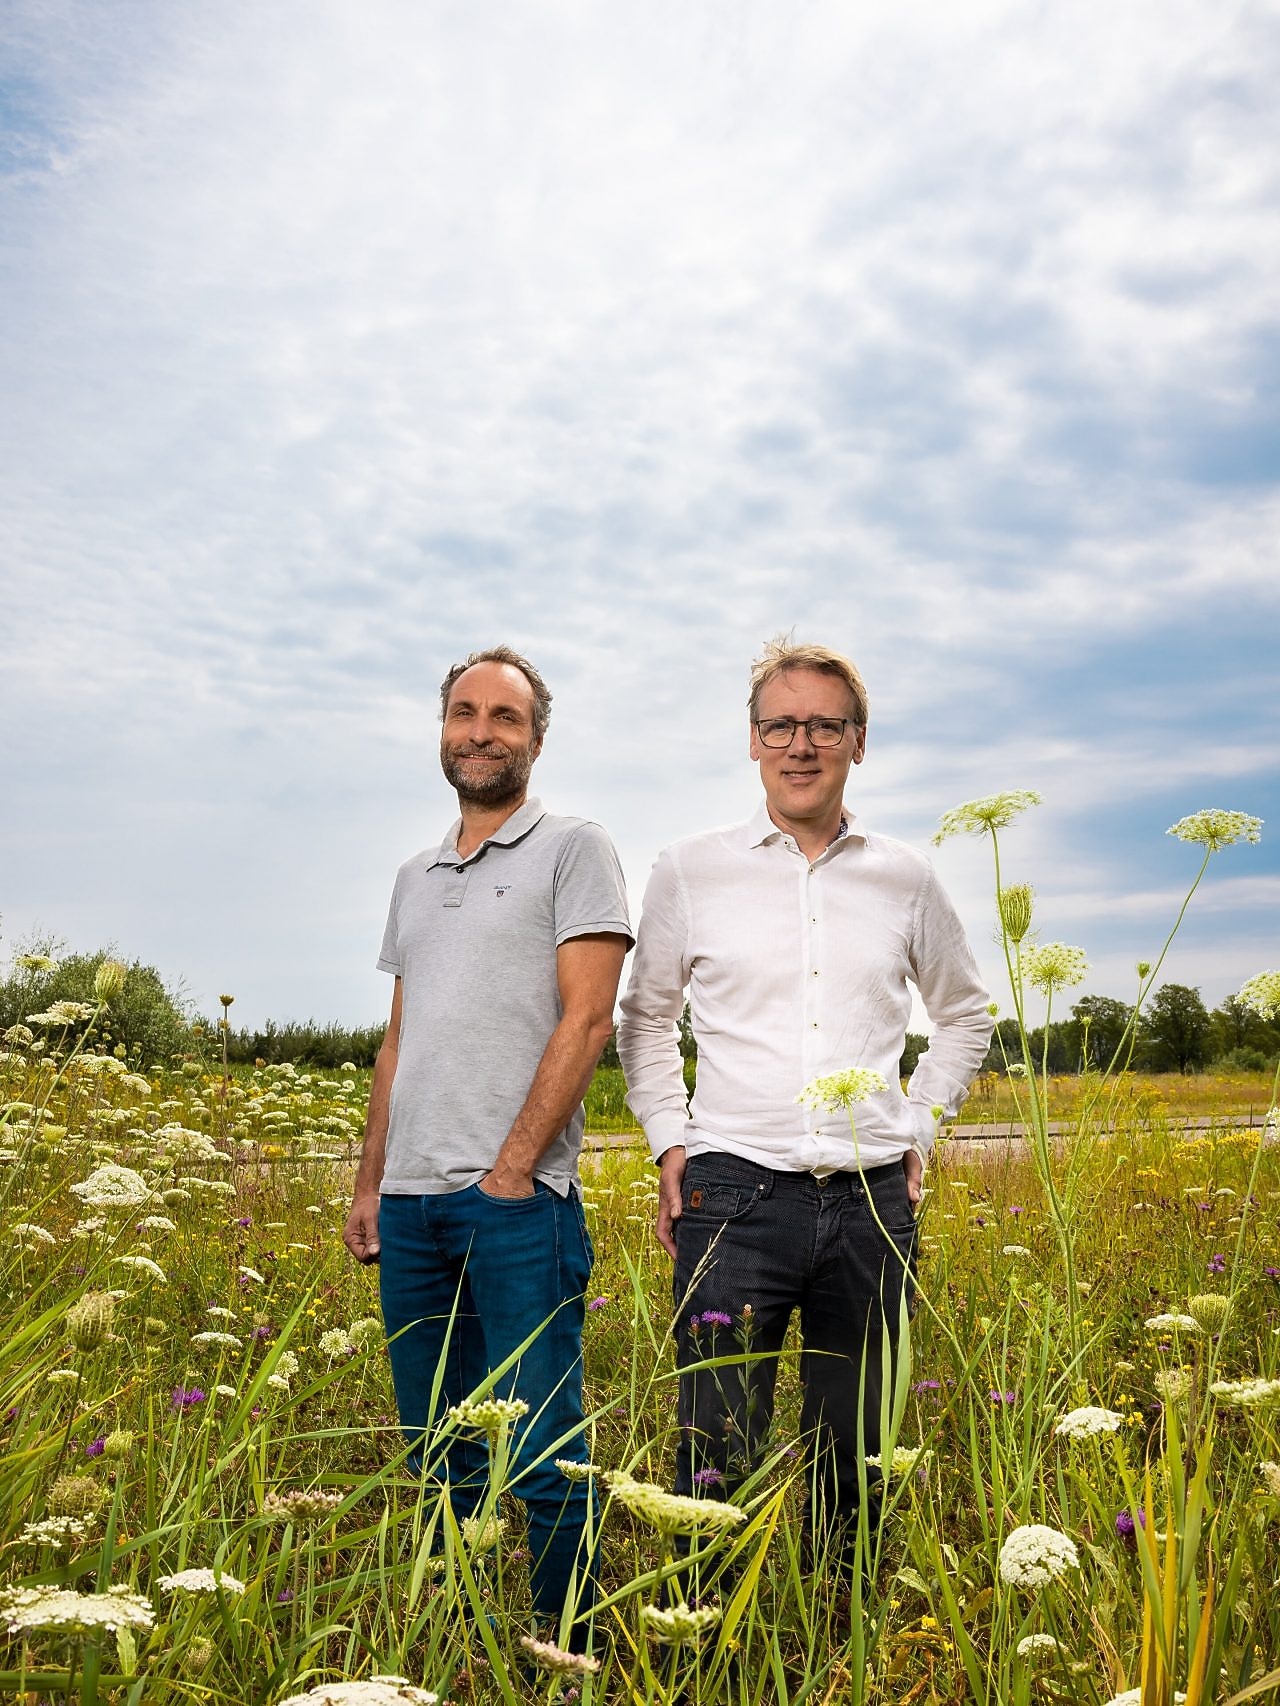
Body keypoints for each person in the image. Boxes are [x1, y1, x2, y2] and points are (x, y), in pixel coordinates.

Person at [617, 636, 992, 1573]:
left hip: (871, 1204)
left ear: (858, 743)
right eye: (782, 724)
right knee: (714, 1457)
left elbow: (965, 1014)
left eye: (826, 725)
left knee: (856, 1460)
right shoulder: (691, 869)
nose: (802, 744)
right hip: (733, 1199)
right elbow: (645, 1020)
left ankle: (839, 1638)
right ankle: (706, 1643)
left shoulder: (903, 876)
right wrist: (673, 1146)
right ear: (752, 741)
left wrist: (920, 1124)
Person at [343, 644, 632, 1634]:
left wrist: (511, 1170)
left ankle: (569, 1653)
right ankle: (449, 1640)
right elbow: (400, 1033)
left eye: (502, 717)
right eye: (463, 712)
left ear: (535, 739)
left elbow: (588, 1020)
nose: (479, 731)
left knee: (545, 1449)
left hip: (516, 1205)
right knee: (437, 1444)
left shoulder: (573, 847)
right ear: (442, 730)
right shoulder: (412, 875)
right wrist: (368, 1182)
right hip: (411, 1207)